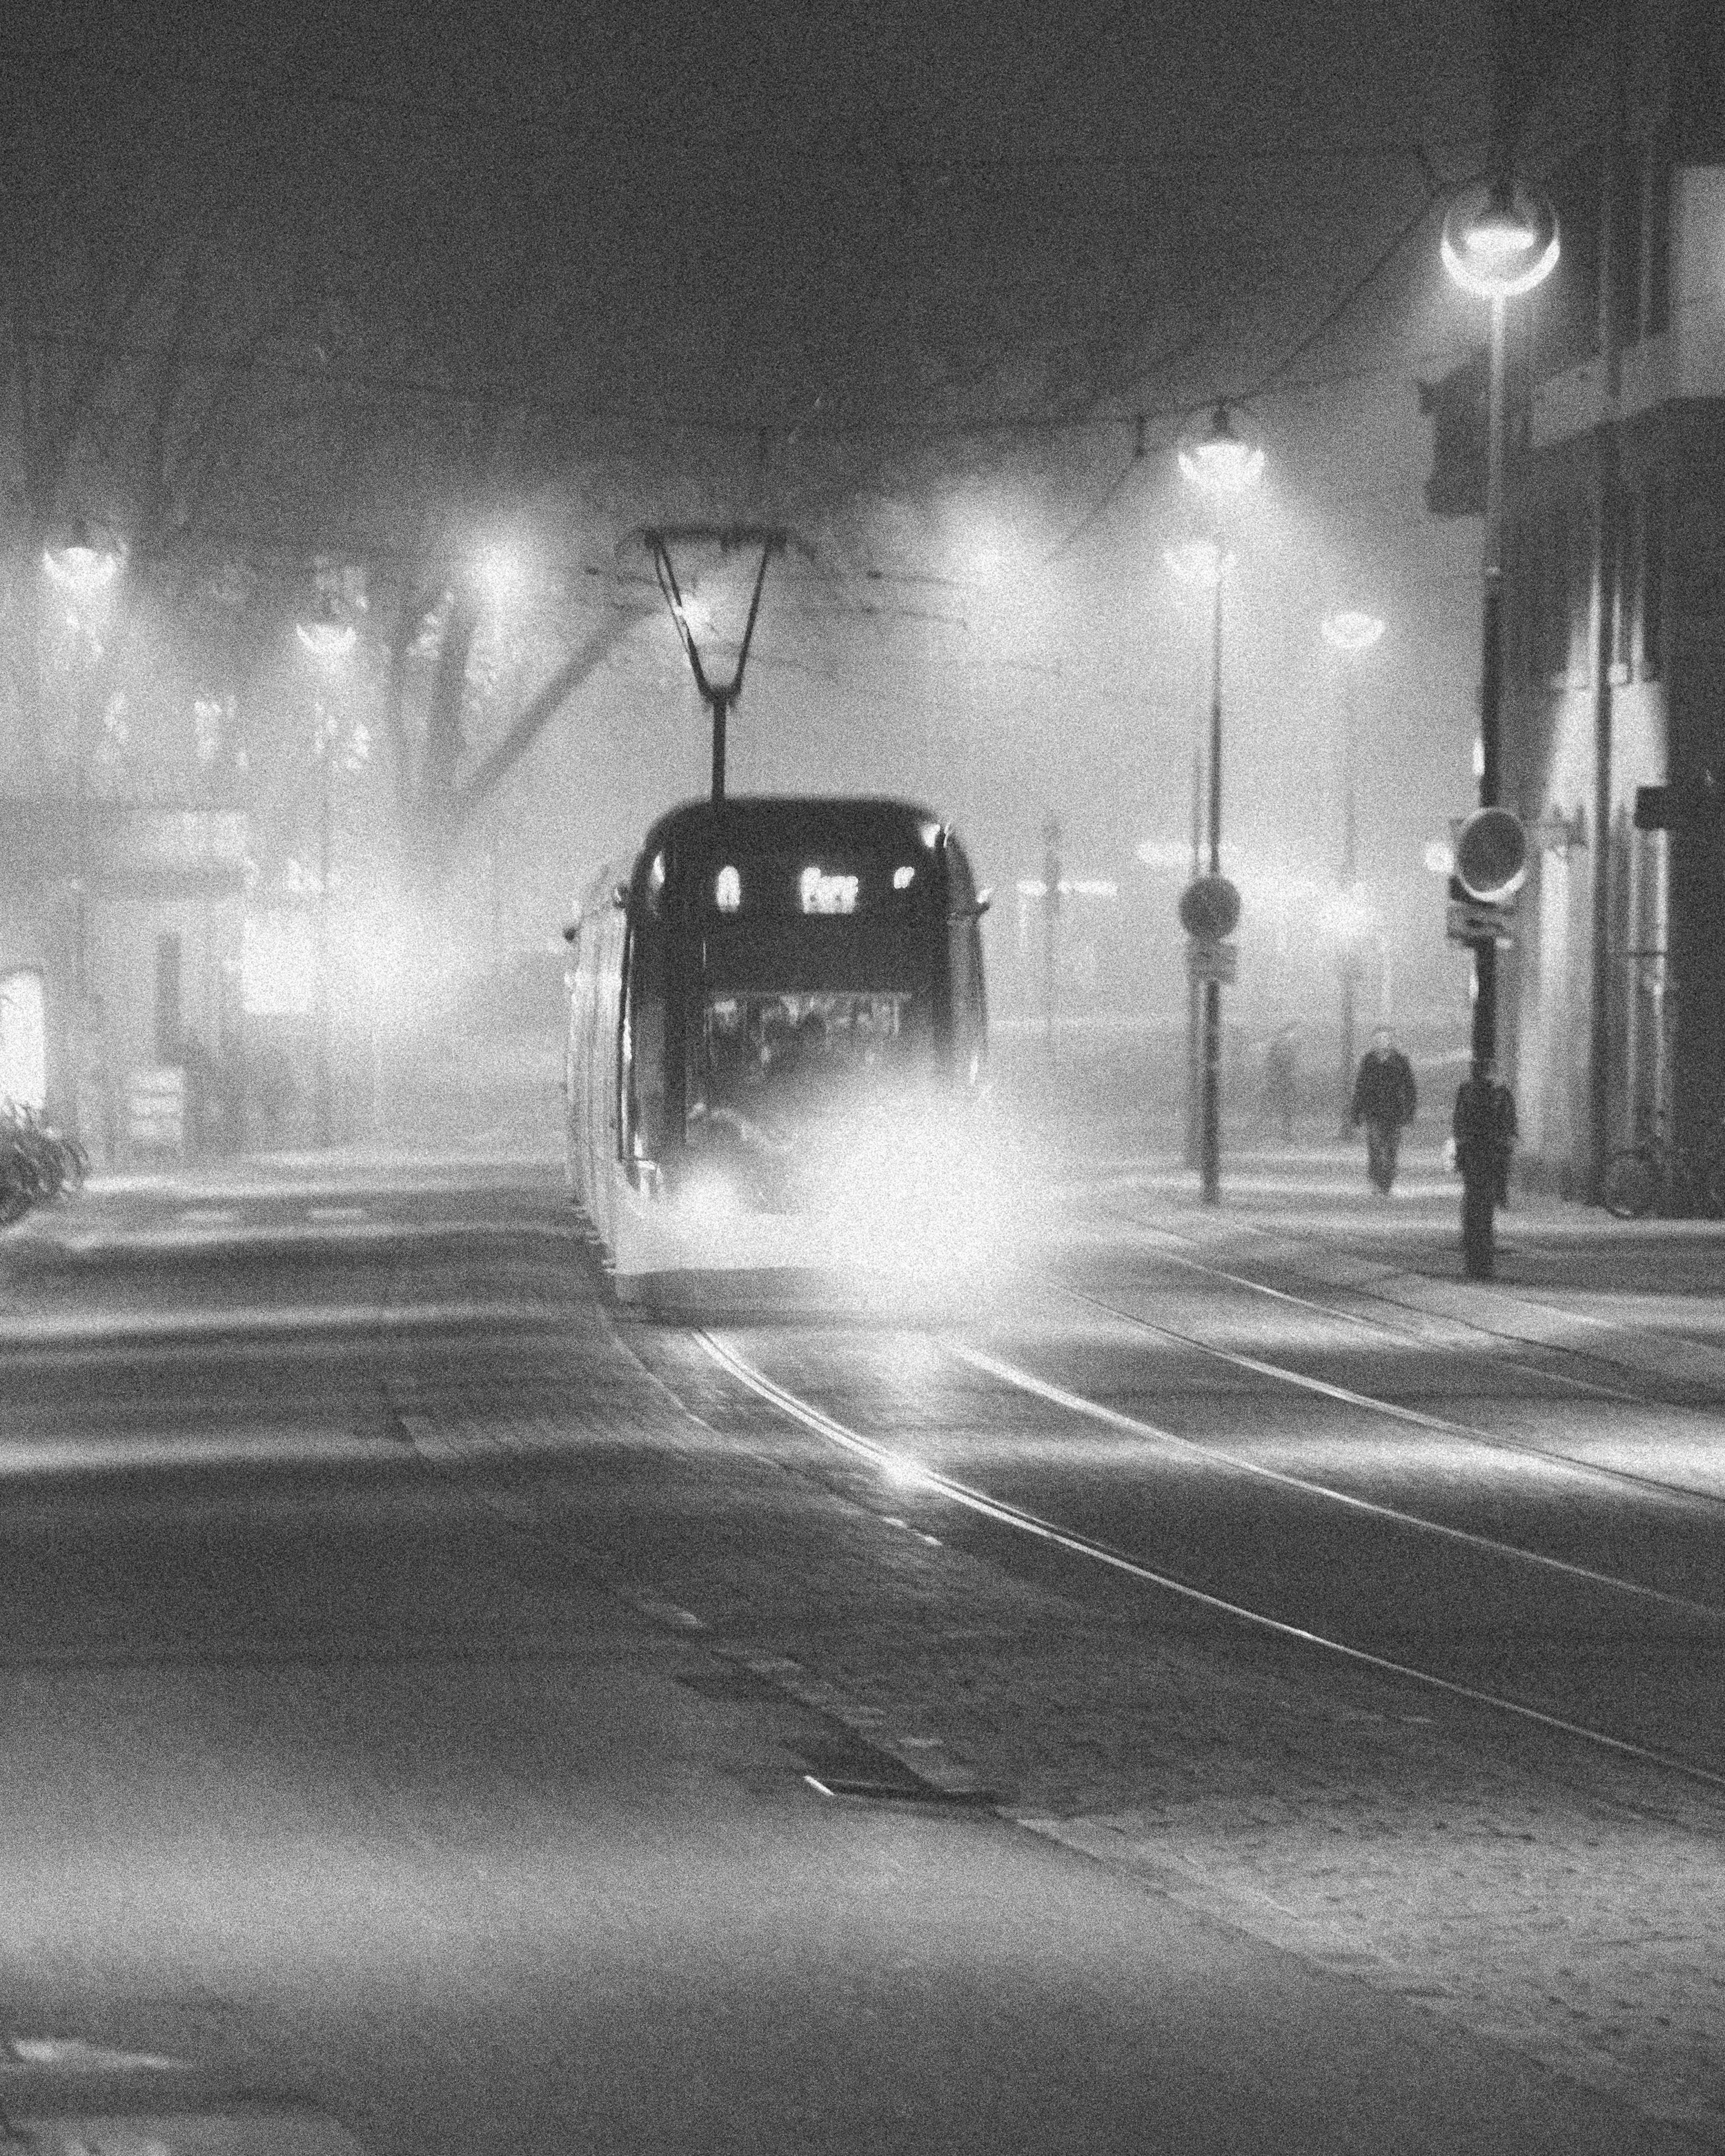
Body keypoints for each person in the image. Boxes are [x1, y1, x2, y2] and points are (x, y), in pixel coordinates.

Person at [1350, 1027, 1418, 1194]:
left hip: (1394, 1111)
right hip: (1373, 1111)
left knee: (1391, 1148)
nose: (1381, 1042)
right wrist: (1356, 1111)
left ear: (1390, 1041)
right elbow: (1361, 1087)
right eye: (1378, 1039)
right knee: (1374, 1146)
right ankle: (1375, 1178)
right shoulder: (1368, 1061)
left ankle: (1387, 1180)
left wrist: (1409, 1111)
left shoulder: (1400, 1061)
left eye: (1385, 1038)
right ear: (1374, 1042)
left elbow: (1410, 1088)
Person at [1453, 1065, 1517, 1206]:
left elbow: (1459, 1116)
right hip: (1489, 1138)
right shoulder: (1499, 1091)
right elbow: (1509, 1114)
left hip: (1484, 1138)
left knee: (1493, 1168)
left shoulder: (1469, 1090)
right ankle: (1496, 1196)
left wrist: (1459, 1135)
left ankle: (1495, 1196)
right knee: (1496, 1168)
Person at [1262, 1025, 1299, 1141]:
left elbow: (1271, 1061)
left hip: (1279, 1079)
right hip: (1283, 1079)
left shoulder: (1277, 1045)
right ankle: (1285, 1132)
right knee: (1285, 1106)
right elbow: (1287, 1062)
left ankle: (1283, 1131)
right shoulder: (1284, 1045)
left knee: (1280, 1105)